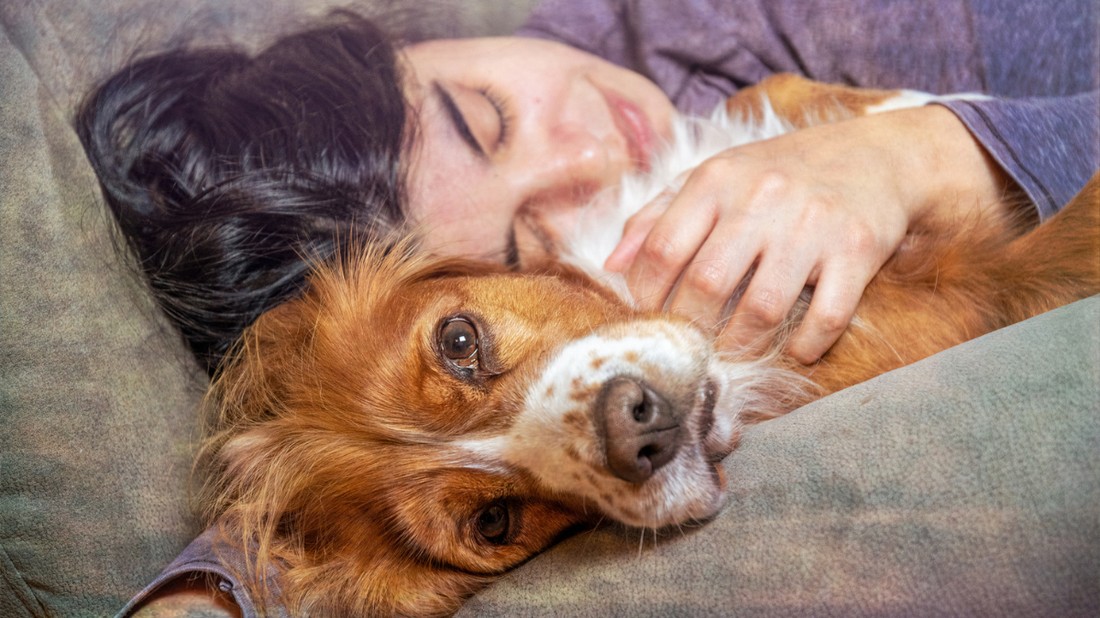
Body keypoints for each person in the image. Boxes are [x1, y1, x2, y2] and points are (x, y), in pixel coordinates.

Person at [76, 1, 1096, 614]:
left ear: (416, 40)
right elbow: (353, 480)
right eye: (530, 242)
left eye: (484, 116)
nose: (596, 157)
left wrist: (925, 156)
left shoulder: (703, 22)